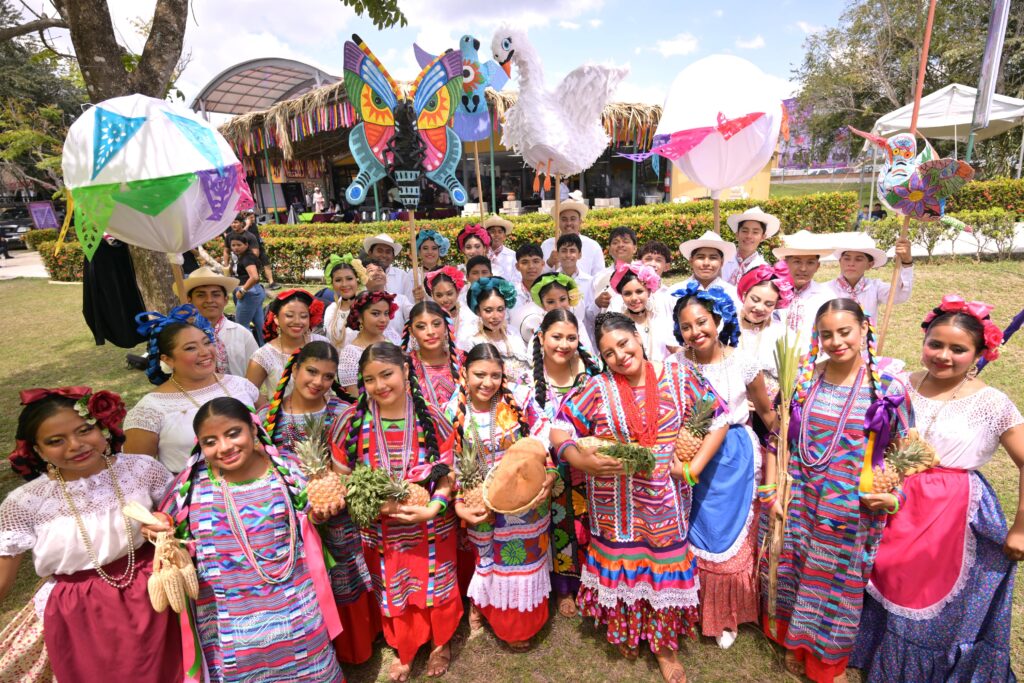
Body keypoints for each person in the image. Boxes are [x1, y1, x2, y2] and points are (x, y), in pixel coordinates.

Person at [851, 295, 1023, 682]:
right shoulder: (898, 385)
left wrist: (1021, 527)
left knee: (928, 590)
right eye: (936, 344)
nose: (943, 355)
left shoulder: (992, 403)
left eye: (958, 349)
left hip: (952, 511)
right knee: (886, 576)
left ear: (980, 353)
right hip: (895, 498)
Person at [551, 313, 728, 683]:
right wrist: (579, 459)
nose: (619, 355)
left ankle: (664, 647)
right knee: (622, 567)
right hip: (614, 507)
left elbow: (718, 418)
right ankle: (627, 632)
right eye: (608, 353)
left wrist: (693, 468)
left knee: (663, 569)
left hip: (665, 505)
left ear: (637, 336)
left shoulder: (679, 376)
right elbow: (559, 427)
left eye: (624, 343)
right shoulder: (596, 387)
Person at [761, 298, 913, 683]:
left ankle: (826, 662)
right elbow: (777, 438)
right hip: (799, 497)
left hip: (849, 508)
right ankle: (794, 643)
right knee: (795, 570)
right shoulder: (802, 378)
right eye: (826, 334)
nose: (836, 342)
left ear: (864, 330)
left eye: (845, 332)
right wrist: (772, 491)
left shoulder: (887, 388)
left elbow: (905, 451)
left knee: (836, 585)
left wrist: (892, 494)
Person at [152, 397, 344, 682]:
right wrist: (159, 528)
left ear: (253, 429)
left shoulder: (286, 469)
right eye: (210, 441)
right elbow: (171, 528)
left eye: (233, 433)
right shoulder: (190, 486)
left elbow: (312, 514)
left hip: (292, 608)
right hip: (226, 618)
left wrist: (322, 512)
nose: (224, 447)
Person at [1, 386, 182, 683]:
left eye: (84, 430)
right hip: (81, 611)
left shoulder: (141, 469)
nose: (75, 445)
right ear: (38, 451)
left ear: (103, 427)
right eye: (55, 441)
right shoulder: (25, 503)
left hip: (156, 593)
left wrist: (165, 524)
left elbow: (181, 519)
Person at [330, 342, 459, 682]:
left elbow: (448, 475)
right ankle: (405, 646)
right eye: (369, 379)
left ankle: (440, 642)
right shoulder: (349, 422)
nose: (379, 385)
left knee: (437, 581)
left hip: (432, 527)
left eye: (386, 374)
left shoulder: (432, 417)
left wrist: (433, 508)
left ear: (404, 370)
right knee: (392, 586)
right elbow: (341, 482)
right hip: (380, 531)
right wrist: (383, 505)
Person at [669, 283, 777, 650]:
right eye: (686, 326)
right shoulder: (675, 365)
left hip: (733, 459)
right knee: (692, 531)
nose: (695, 332)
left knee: (724, 535)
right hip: (688, 453)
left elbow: (766, 413)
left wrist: (787, 439)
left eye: (702, 322)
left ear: (718, 320)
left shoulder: (743, 362)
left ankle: (727, 613)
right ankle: (691, 607)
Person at [258, 342, 380, 666]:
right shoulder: (268, 417)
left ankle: (355, 646)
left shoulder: (342, 411)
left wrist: (336, 491)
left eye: (328, 376)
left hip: (340, 513)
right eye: (311, 371)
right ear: (294, 369)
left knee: (345, 572)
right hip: (292, 519)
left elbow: (362, 459)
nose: (318, 382)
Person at [447, 343, 557, 649]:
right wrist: (459, 503)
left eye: (495, 375)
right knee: (487, 560)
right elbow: (448, 463)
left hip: (525, 501)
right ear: (464, 373)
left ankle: (521, 625)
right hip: (479, 500)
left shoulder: (518, 399)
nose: (488, 382)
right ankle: (482, 605)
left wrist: (549, 473)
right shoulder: (452, 410)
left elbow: (541, 437)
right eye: (479, 375)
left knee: (524, 561)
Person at [124, 306, 259, 473]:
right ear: (167, 360)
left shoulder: (240, 385)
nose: (205, 352)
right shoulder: (150, 410)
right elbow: (137, 474)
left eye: (207, 342)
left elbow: (269, 423)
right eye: (190, 348)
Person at [528, 309, 599, 618]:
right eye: (556, 337)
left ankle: (592, 580)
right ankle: (564, 587)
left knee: (588, 523)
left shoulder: (589, 374)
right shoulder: (528, 379)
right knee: (559, 524)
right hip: (550, 465)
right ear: (541, 337)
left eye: (571, 338)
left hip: (587, 462)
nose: (564, 344)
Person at [246, 289, 329, 401]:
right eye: (289, 315)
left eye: (303, 316)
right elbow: (249, 392)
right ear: (276, 319)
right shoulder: (263, 356)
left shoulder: (322, 344)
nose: (297, 321)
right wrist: (270, 409)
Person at [177, 266, 259, 377]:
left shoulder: (242, 334)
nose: (209, 300)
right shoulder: (181, 335)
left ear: (225, 300)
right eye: (201, 295)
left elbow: (255, 372)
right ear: (189, 300)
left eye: (216, 295)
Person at [736, 262, 796, 396]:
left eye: (769, 304)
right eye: (755, 299)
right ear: (745, 296)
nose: (760, 308)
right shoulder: (725, 329)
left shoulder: (782, 334)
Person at [458, 277, 531, 384]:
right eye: (488, 310)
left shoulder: (513, 334)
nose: (495, 316)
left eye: (500, 309)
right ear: (478, 311)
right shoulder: (472, 342)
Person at [827, 232, 913, 322]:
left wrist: (906, 261)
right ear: (840, 261)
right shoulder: (826, 289)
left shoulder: (875, 288)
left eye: (858, 259)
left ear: (869, 265)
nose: (851, 263)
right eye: (847, 258)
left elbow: (900, 295)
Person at [772, 230, 837, 349]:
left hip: (812, 357)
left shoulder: (826, 297)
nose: (803, 268)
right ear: (786, 263)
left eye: (810, 263)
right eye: (797, 262)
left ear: (817, 266)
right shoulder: (773, 292)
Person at [608, 261, 676, 361]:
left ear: (649, 291)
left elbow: (674, 348)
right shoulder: (619, 325)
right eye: (627, 294)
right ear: (621, 295)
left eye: (639, 292)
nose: (634, 298)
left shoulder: (659, 317)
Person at [336, 290, 399, 393]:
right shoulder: (350, 355)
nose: (383, 319)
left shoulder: (392, 336)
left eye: (386, 313)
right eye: (375, 314)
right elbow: (355, 397)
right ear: (359, 317)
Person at [678, 230, 742, 309]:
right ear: (691, 261)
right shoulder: (676, 293)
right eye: (700, 257)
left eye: (713, 258)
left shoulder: (733, 294)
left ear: (721, 262)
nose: (706, 263)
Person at [530, 272, 594, 351]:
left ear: (569, 299)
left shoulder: (579, 325)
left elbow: (589, 354)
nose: (558, 306)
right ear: (542, 304)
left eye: (562, 299)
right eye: (550, 302)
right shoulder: (538, 330)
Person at [541, 200, 606, 277]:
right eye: (564, 219)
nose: (568, 223)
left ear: (580, 221)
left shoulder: (593, 246)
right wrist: (549, 263)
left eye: (573, 219)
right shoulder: (546, 245)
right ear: (558, 222)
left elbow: (599, 277)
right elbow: (537, 277)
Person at [722, 206, 780, 285]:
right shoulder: (723, 261)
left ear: (763, 237)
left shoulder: (764, 270)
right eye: (745, 231)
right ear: (737, 234)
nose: (749, 236)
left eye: (755, 232)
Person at [226, 231, 266, 345]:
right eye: (233, 245)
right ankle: (265, 349)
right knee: (260, 325)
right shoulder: (242, 257)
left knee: (242, 326)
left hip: (249, 293)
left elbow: (254, 277)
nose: (236, 248)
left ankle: (249, 351)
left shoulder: (247, 258)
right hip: (255, 292)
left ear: (246, 245)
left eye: (239, 245)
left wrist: (242, 290)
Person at [322, 253, 367, 352]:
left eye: (349, 279)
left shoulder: (367, 307)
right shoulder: (331, 310)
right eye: (338, 280)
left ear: (357, 280)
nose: (344, 284)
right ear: (332, 283)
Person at [364, 257, 412, 344]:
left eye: (380, 270)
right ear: (363, 278)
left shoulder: (400, 299)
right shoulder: (360, 303)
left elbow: (415, 317)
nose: (377, 273)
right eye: (371, 271)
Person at [592, 226, 639, 312]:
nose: (620, 245)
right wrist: (597, 304)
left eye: (625, 242)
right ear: (609, 250)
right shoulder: (599, 277)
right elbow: (588, 314)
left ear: (635, 248)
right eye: (615, 242)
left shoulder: (643, 274)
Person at [363, 233, 413, 300]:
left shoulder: (402, 276)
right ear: (370, 253)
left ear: (393, 256)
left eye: (388, 252)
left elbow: (410, 302)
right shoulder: (361, 276)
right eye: (379, 251)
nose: (384, 255)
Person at [423, 266, 466, 335]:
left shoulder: (467, 316)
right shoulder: (427, 318)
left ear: (457, 292)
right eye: (439, 295)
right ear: (432, 295)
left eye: (449, 294)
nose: (445, 300)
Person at [512, 243, 547, 315]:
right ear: (517, 266)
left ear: (543, 264)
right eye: (525, 262)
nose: (531, 266)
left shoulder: (551, 291)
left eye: (535, 261)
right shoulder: (510, 294)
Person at [483, 216, 520, 283]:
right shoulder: (482, 254)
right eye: (492, 231)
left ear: (504, 236)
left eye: (500, 232)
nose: (496, 234)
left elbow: (517, 278)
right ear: (486, 235)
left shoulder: (513, 255)